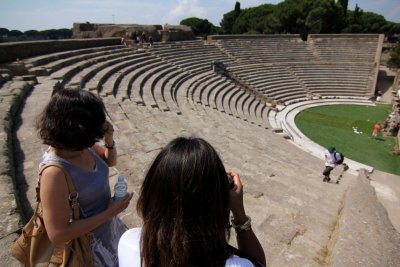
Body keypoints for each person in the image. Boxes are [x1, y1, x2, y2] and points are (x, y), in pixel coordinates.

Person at [118, 137, 266, 267]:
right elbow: (258, 264)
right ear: (216, 206)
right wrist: (240, 215)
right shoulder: (237, 265)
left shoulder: (129, 243)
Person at [36, 89, 133, 266]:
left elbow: (109, 161)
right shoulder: (54, 172)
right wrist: (110, 212)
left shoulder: (81, 145)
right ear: (77, 127)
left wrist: (109, 141)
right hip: (89, 248)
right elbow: (58, 234)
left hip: (109, 228)